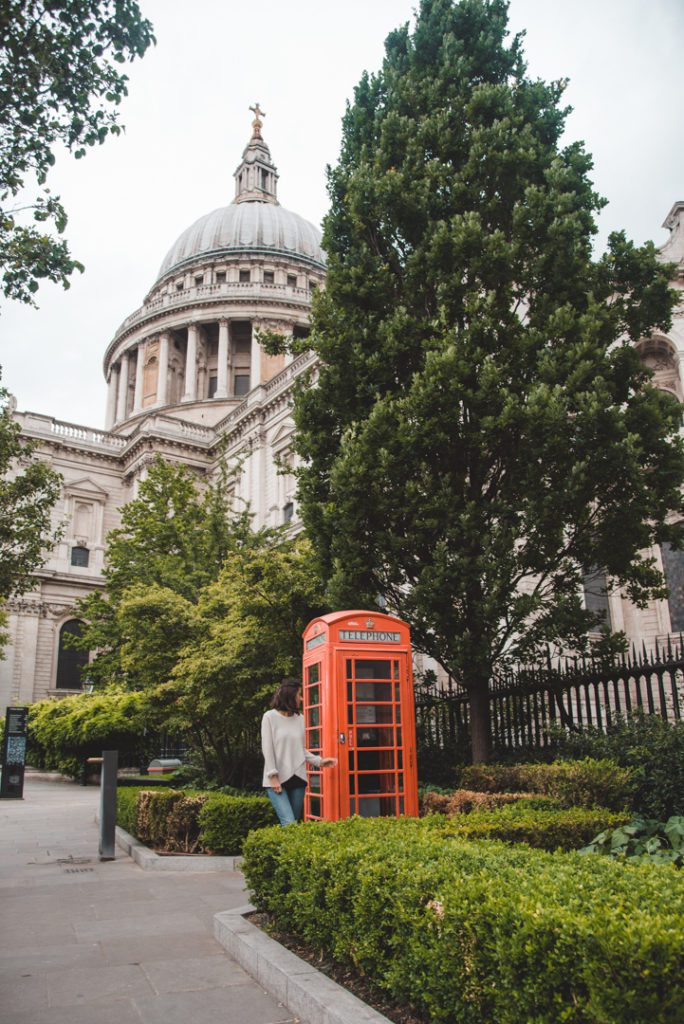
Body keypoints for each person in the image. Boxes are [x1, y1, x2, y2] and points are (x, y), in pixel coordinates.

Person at [261, 677, 337, 825]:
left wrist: (319, 761)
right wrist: (272, 775)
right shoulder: (269, 717)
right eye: (299, 695)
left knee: (293, 823)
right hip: (277, 778)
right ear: (290, 696)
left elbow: (300, 749)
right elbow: (267, 748)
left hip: (298, 778)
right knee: (289, 823)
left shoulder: (299, 718)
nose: (301, 698)